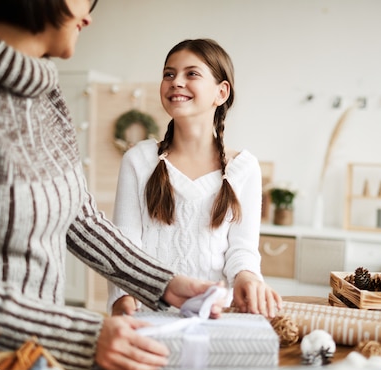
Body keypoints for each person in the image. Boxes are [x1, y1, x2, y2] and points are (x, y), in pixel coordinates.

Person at [0, 0, 225, 370]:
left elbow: (80, 219)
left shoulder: (45, 94)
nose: (88, 16)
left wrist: (165, 284)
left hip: (34, 360)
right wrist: (85, 335)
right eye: (83, 1)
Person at [107, 39, 282, 319]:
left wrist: (247, 276)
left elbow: (242, 249)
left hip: (214, 317)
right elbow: (126, 248)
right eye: (169, 74)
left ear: (221, 92)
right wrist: (123, 299)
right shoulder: (138, 161)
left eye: (192, 74)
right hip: (147, 319)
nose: (176, 81)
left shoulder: (244, 168)